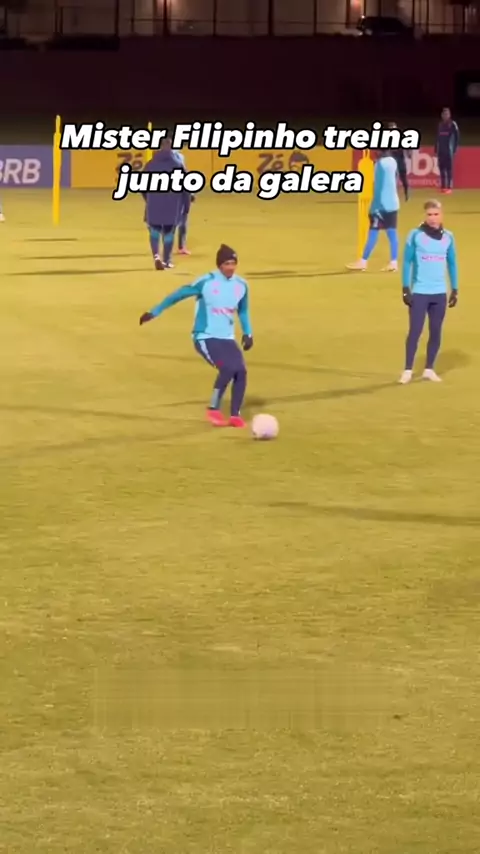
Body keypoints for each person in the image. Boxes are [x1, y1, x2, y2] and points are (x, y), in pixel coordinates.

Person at [139, 244, 253, 427]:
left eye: (233, 263)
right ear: (219, 265)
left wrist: (248, 333)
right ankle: (213, 409)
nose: (231, 267)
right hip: (205, 337)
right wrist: (155, 311)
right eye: (227, 263)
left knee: (241, 371)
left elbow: (243, 310)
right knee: (227, 369)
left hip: (227, 338)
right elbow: (178, 295)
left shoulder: (241, 285)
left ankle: (235, 415)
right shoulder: (206, 282)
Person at [399, 199, 458, 384]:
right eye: (429, 214)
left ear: (442, 215)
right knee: (415, 331)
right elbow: (407, 262)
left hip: (439, 293)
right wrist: (405, 288)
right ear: (425, 216)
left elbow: (452, 263)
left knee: (436, 331)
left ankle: (429, 369)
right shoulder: (415, 235)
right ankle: (407, 370)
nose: (432, 218)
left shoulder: (448, 237)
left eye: (436, 214)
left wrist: (455, 289)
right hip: (420, 292)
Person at [347, 150, 399, 273]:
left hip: (381, 205)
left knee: (373, 232)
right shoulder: (393, 162)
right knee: (392, 233)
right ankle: (393, 262)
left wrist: (375, 206)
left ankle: (363, 261)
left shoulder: (379, 164)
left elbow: (379, 186)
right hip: (393, 203)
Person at [142, 138, 188, 271]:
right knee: (169, 232)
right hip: (172, 203)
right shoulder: (177, 164)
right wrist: (186, 205)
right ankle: (167, 260)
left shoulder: (150, 164)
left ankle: (156, 256)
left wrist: (148, 199)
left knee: (154, 230)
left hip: (154, 202)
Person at [435, 107, 459, 194]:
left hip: (449, 150)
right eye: (444, 114)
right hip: (441, 151)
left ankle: (449, 187)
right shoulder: (440, 125)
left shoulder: (453, 124)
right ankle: (443, 187)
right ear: (442, 115)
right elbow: (437, 138)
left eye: (447, 114)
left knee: (449, 169)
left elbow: (457, 137)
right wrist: (436, 149)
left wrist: (454, 148)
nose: (445, 116)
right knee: (441, 169)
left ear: (449, 115)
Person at [387, 122, 409, 201]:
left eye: (393, 128)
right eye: (391, 128)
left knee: (403, 177)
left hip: (400, 159)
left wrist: (408, 152)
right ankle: (393, 195)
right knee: (393, 177)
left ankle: (406, 193)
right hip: (392, 159)